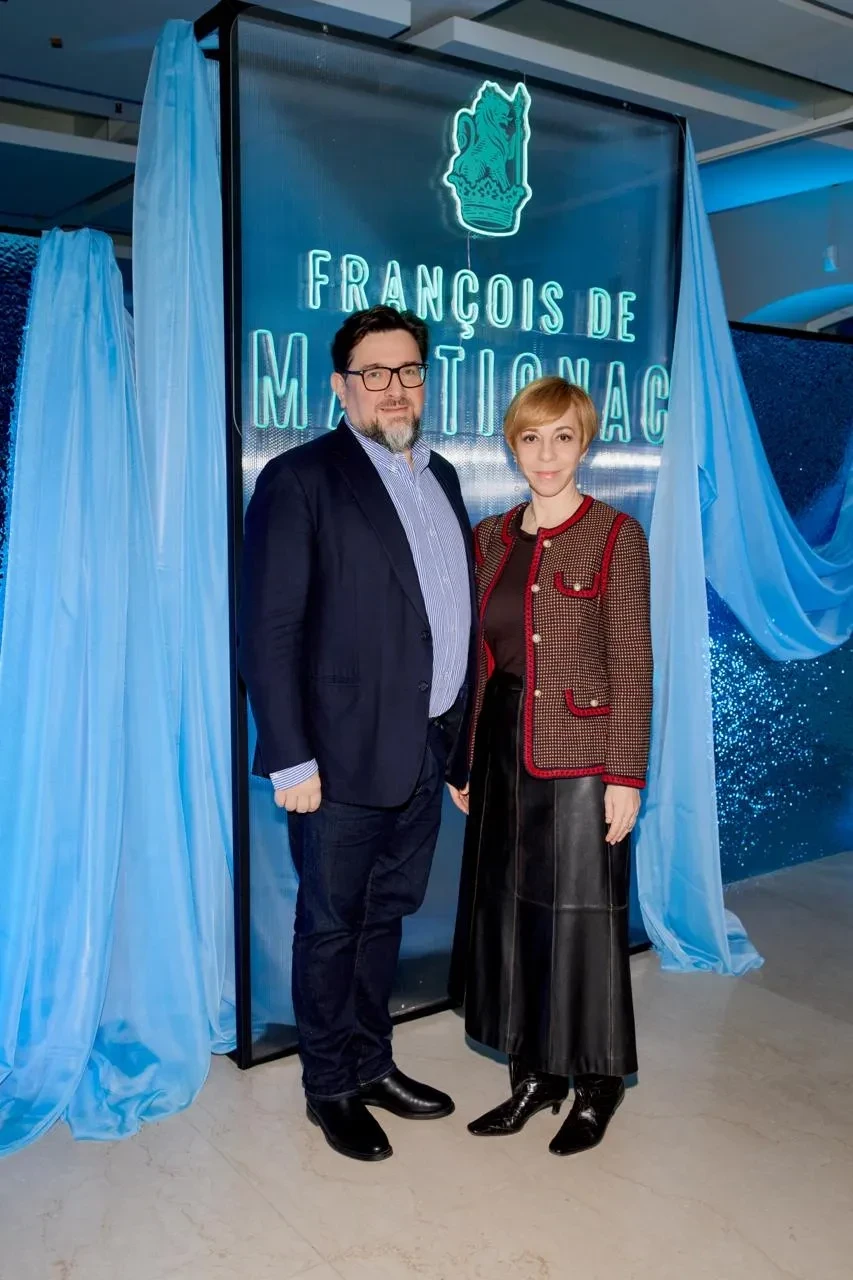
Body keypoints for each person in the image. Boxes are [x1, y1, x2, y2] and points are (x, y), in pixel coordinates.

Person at [239, 305, 476, 1163]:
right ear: (341, 386)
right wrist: (290, 758)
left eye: (408, 370)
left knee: (386, 919)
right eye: (373, 373)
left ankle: (373, 1062)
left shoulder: (442, 476)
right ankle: (329, 1085)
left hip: (425, 748)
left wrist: (461, 747)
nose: (393, 387)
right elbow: (268, 631)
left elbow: (446, 615)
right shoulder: (300, 478)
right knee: (331, 926)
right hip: (335, 761)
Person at [447, 375, 652, 1157]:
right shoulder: (489, 538)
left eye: (562, 437)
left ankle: (596, 1084)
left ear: (584, 444)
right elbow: (476, 661)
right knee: (510, 913)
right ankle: (532, 1074)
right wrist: (466, 760)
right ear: (513, 446)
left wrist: (625, 775)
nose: (546, 453)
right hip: (501, 749)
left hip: (581, 757)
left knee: (582, 920)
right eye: (531, 438)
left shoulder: (615, 536)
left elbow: (631, 663)